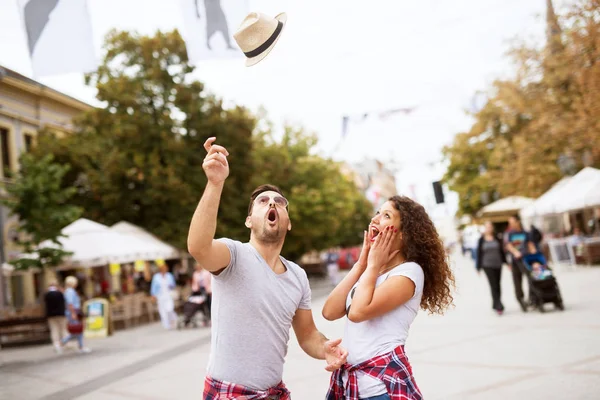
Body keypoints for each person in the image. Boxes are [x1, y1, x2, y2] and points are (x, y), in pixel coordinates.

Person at [188, 137, 347, 399]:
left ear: (289, 222)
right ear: (249, 221)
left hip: (274, 393)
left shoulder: (297, 275)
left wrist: (325, 348)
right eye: (262, 201)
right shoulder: (234, 255)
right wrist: (215, 183)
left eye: (279, 202)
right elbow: (198, 247)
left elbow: (307, 334)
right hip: (229, 393)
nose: (272, 203)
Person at [322, 196, 455, 400]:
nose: (375, 219)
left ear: (403, 234)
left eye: (386, 216)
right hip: (349, 386)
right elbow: (330, 312)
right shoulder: (368, 273)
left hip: (381, 388)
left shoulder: (409, 272)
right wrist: (362, 264)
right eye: (378, 213)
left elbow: (357, 312)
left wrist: (373, 266)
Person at [476, 222, 507, 315]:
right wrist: (478, 267)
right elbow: (479, 253)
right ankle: (499, 305)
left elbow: (501, 251)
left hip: (498, 264)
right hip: (487, 265)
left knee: (498, 284)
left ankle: (496, 303)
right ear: (485, 228)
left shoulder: (497, 238)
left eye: (490, 227)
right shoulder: (481, 239)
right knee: (493, 285)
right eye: (487, 227)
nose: (489, 229)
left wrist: (506, 262)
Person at [504, 215, 530, 312]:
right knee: (517, 281)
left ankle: (533, 298)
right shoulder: (509, 233)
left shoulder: (525, 232)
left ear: (518, 222)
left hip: (526, 259)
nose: (511, 225)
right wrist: (516, 252)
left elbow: (530, 244)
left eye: (512, 222)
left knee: (531, 278)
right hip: (515, 261)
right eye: (509, 223)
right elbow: (508, 245)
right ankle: (521, 299)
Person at [60, 276, 91, 353]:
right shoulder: (70, 291)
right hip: (73, 312)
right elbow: (70, 304)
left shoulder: (70, 291)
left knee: (78, 329)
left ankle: (80, 346)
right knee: (77, 329)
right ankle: (63, 342)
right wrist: (73, 313)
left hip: (73, 311)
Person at [151, 263, 178, 330]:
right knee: (162, 311)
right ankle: (166, 324)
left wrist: (171, 285)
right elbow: (153, 287)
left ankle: (173, 319)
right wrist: (153, 295)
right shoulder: (156, 277)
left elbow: (173, 285)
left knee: (169, 309)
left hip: (168, 295)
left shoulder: (169, 275)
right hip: (160, 295)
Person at [44, 280, 67, 353]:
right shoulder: (59, 293)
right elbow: (64, 303)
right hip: (61, 314)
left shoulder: (47, 294)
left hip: (51, 315)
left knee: (54, 330)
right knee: (63, 329)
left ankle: (56, 344)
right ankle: (64, 343)